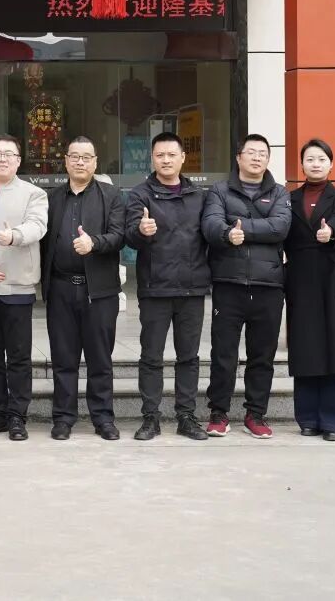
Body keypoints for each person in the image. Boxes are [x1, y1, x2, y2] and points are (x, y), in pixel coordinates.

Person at [201, 133, 291, 439]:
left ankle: (256, 414)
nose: (257, 157)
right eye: (251, 152)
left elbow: (280, 227)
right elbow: (211, 224)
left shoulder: (280, 192)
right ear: (238, 157)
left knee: (262, 355)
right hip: (229, 283)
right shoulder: (219, 190)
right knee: (223, 353)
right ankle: (218, 412)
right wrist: (227, 233)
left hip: (269, 284)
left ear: (268, 159)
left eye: (262, 153)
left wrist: (240, 228)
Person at [124, 131, 210, 442]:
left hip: (191, 287)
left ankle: (186, 416)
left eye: (172, 154)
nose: (166, 160)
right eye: (160, 155)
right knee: (151, 356)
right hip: (155, 288)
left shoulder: (199, 196)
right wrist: (141, 230)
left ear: (183, 158)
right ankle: (151, 417)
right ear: (152, 159)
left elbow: (211, 234)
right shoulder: (140, 194)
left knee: (189, 357)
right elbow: (129, 236)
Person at [40, 136, 126, 441]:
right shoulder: (51, 198)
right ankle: (63, 418)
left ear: (95, 162)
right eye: (74, 156)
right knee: (63, 359)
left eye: (86, 157)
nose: (80, 162)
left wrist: (94, 243)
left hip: (99, 292)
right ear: (65, 161)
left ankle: (103, 418)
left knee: (100, 359)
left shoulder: (111, 196)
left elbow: (119, 236)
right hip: (61, 289)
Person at [0, 134, 48, 442]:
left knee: (18, 357)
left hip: (17, 287)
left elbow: (37, 226)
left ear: (18, 161)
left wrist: (14, 235)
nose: (2, 158)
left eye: (9, 154)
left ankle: (17, 416)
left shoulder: (33, 194)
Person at [284, 139, 335, 441]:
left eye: (321, 159)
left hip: (332, 275)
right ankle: (307, 417)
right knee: (305, 345)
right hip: (300, 276)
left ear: (331, 164)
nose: (315, 164)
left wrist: (331, 233)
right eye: (310, 159)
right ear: (302, 164)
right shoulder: (289, 198)